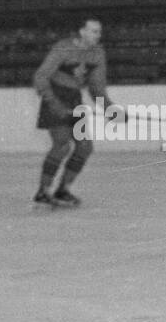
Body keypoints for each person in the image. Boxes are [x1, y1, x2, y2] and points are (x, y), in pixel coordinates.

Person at [32, 18, 116, 207]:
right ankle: (43, 192)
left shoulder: (97, 54)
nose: (97, 35)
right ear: (82, 31)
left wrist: (110, 109)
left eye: (99, 32)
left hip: (74, 99)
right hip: (54, 96)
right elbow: (41, 77)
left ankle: (63, 190)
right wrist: (55, 105)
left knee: (85, 147)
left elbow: (97, 88)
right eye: (93, 31)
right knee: (62, 145)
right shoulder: (63, 48)